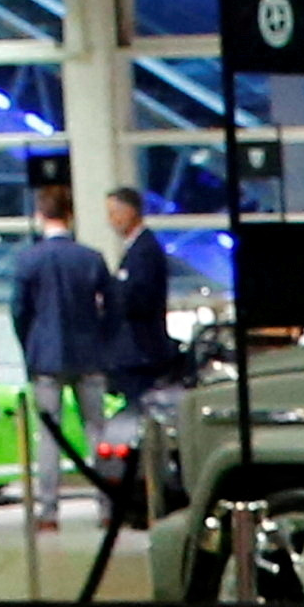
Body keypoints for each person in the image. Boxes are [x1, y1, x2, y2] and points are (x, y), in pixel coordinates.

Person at [4, 186, 113, 516]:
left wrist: (30, 345)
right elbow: (112, 307)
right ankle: (107, 505)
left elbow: (19, 311)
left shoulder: (28, 259)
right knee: (98, 432)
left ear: (40, 216)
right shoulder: (91, 258)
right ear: (71, 215)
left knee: (49, 435)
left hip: (46, 358)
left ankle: (49, 509)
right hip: (90, 354)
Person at [97, 186, 185, 522]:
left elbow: (139, 299)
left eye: (114, 212)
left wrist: (112, 296)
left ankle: (147, 498)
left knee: (142, 427)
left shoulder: (146, 252)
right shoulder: (137, 251)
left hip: (142, 353)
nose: (111, 220)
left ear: (131, 211)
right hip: (135, 352)